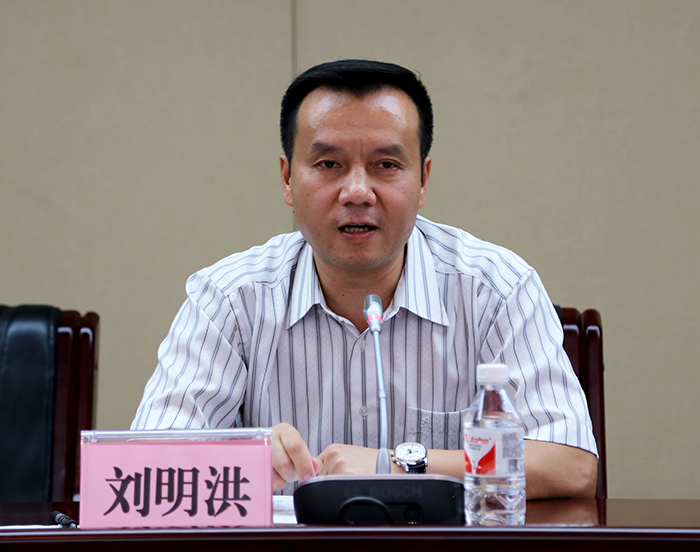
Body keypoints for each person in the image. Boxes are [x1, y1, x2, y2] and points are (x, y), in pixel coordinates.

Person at [132, 59, 598, 498]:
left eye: (386, 165)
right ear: (287, 179)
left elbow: (571, 464)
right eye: (328, 164)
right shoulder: (230, 298)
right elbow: (143, 468)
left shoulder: (495, 289)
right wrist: (243, 458)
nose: (357, 192)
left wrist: (394, 465)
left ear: (423, 180)